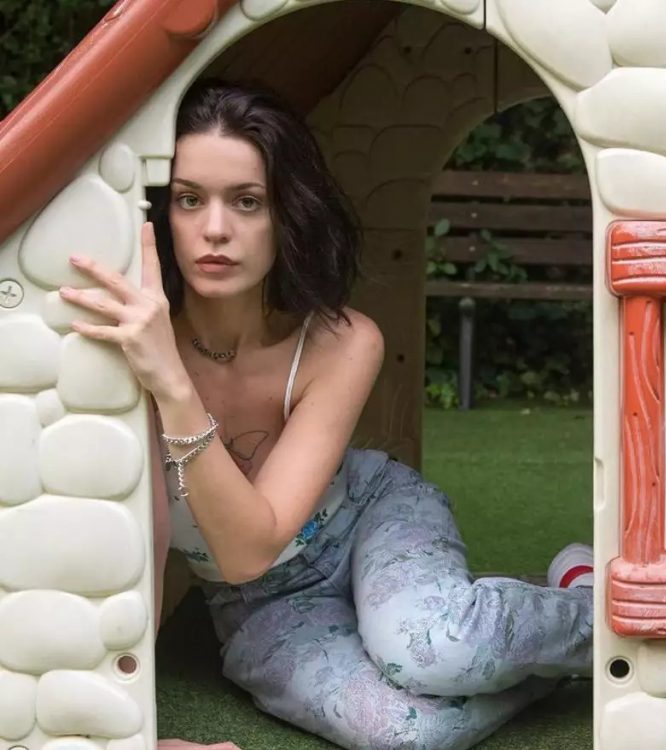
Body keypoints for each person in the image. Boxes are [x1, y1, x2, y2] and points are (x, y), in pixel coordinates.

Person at [59, 78, 595, 750]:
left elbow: (254, 540)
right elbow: (204, 559)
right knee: (407, 734)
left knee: (434, 647)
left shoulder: (343, 342)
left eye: (247, 201)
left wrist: (172, 384)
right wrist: (129, 735)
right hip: (257, 603)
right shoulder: (124, 349)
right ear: (162, 214)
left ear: (288, 214)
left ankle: (588, 607)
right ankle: (515, 645)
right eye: (190, 199)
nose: (215, 229)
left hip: (370, 518)